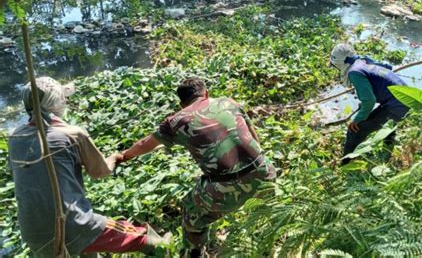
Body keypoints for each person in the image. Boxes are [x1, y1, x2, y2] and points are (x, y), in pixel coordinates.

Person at [8, 77, 166, 257]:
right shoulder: (72, 134)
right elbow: (100, 172)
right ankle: (165, 247)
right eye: (63, 98)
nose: (66, 101)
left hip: (33, 233)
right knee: (137, 236)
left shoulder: (15, 137)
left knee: (88, 250)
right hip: (73, 224)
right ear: (56, 102)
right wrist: (114, 157)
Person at [119, 78, 276, 257]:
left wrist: (124, 156)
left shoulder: (176, 121)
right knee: (265, 208)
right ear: (206, 93)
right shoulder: (229, 102)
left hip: (223, 188)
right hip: (265, 172)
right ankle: (267, 238)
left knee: (191, 213)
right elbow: (255, 138)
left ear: (181, 103)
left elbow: (143, 144)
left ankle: (195, 253)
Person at [330, 44, 409, 165]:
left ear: (340, 63)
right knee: (388, 125)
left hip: (397, 105)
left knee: (355, 130)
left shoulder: (354, 72)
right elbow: (388, 67)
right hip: (406, 98)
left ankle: (345, 164)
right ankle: (386, 155)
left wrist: (357, 119)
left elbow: (369, 101)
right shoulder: (363, 61)